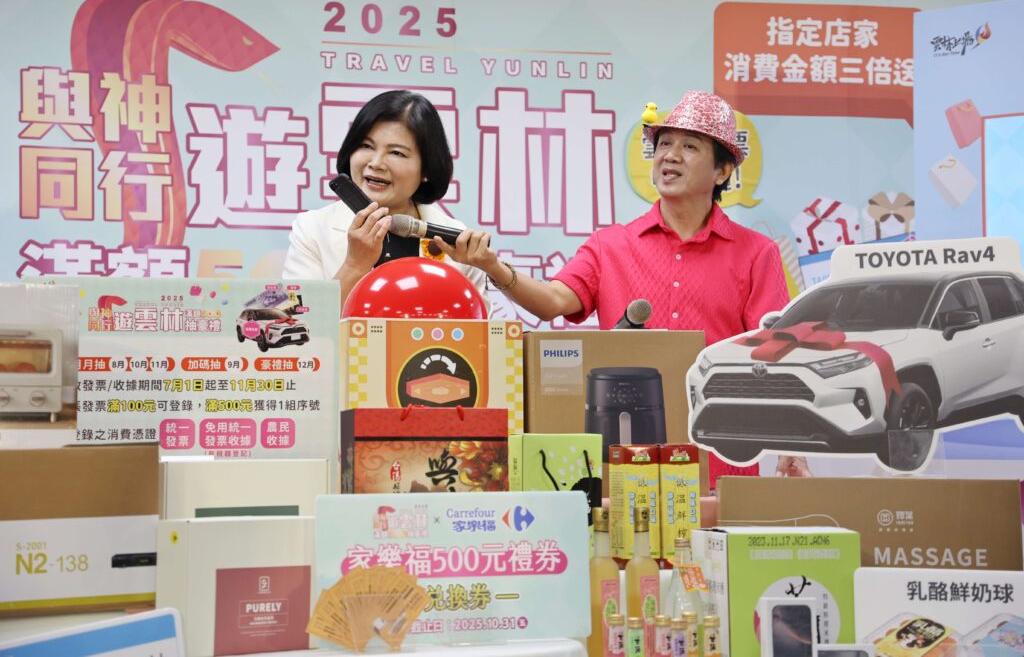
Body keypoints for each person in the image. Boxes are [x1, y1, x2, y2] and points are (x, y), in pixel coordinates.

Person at [437, 89, 793, 488]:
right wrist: (491, 265)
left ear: (722, 171)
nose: (670, 156)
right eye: (664, 144)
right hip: (627, 457)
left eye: (690, 146)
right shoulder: (611, 245)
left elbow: (773, 357)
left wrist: (791, 443)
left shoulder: (756, 252)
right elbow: (552, 302)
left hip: (721, 457)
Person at [282, 90, 488, 314]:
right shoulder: (312, 228)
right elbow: (301, 324)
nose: (376, 163)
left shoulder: (456, 239)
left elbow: (480, 328)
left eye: (396, 153)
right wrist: (354, 266)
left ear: (426, 170)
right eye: (366, 146)